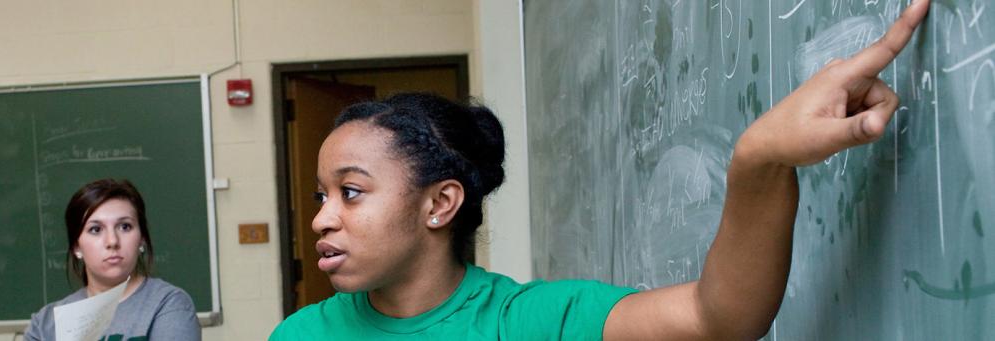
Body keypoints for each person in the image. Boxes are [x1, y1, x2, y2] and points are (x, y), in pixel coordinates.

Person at [271, 1, 931, 339]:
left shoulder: (526, 321)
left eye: (350, 193)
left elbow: (719, 317)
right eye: (323, 194)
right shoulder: (301, 334)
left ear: (439, 204)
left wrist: (760, 159)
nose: (322, 217)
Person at [25, 178, 201, 341]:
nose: (112, 241)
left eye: (125, 227)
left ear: (142, 240)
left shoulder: (168, 304)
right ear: (76, 247)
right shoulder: (46, 323)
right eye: (95, 229)